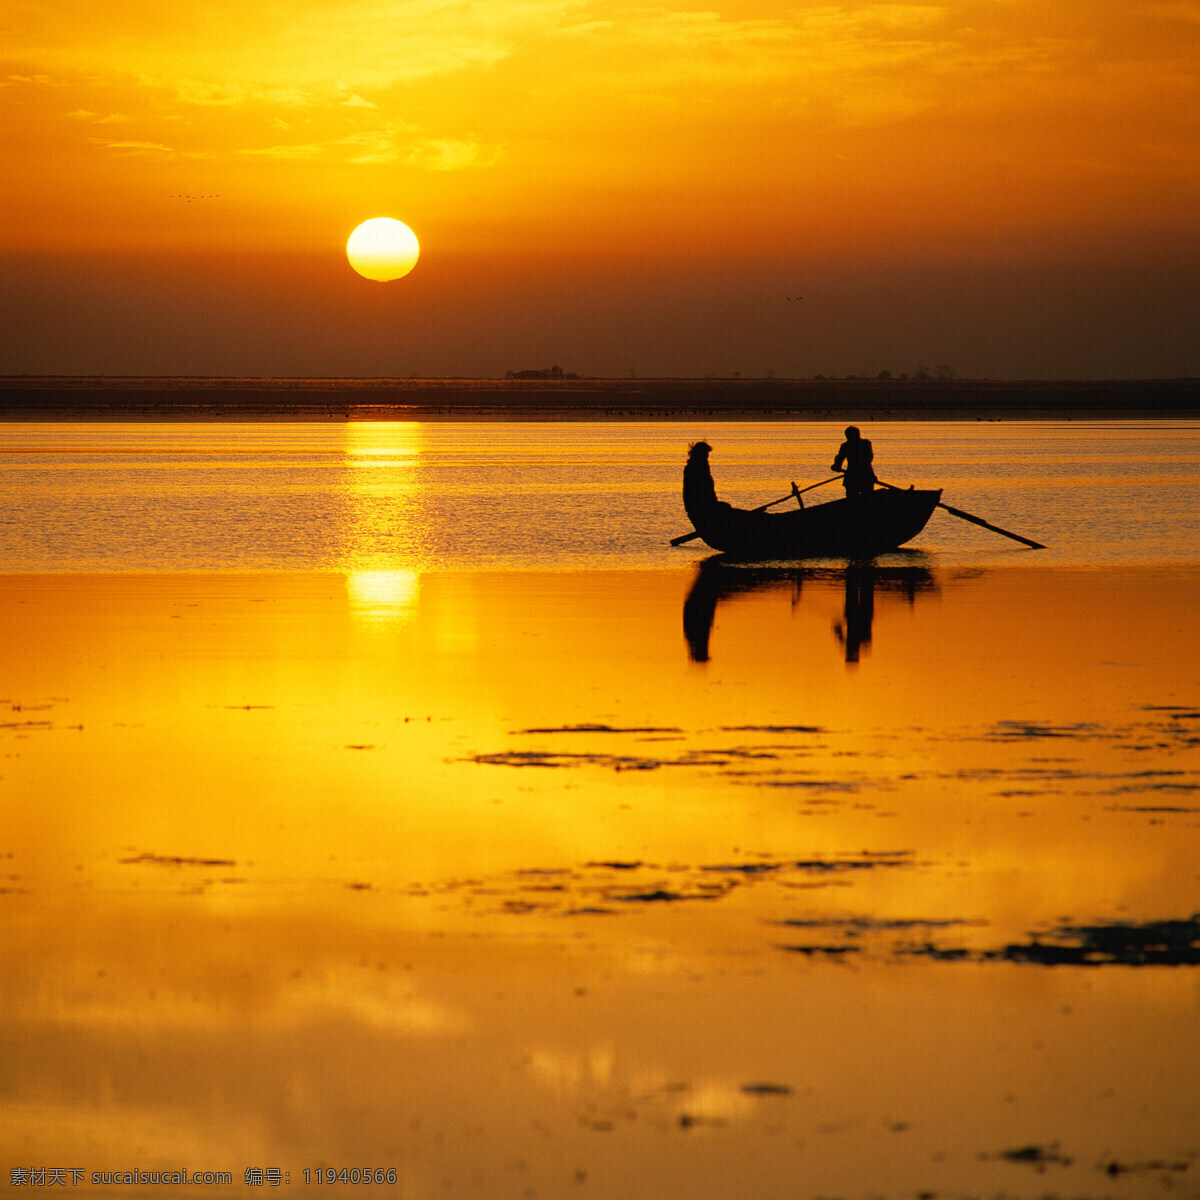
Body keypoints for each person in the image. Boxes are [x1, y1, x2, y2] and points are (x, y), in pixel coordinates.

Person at [831, 426, 876, 499]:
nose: (848, 438)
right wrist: (836, 466)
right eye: (847, 436)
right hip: (852, 477)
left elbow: (868, 459)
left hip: (866, 476)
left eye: (850, 435)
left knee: (867, 498)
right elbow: (840, 458)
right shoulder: (846, 446)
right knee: (852, 498)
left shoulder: (865, 444)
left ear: (857, 435)